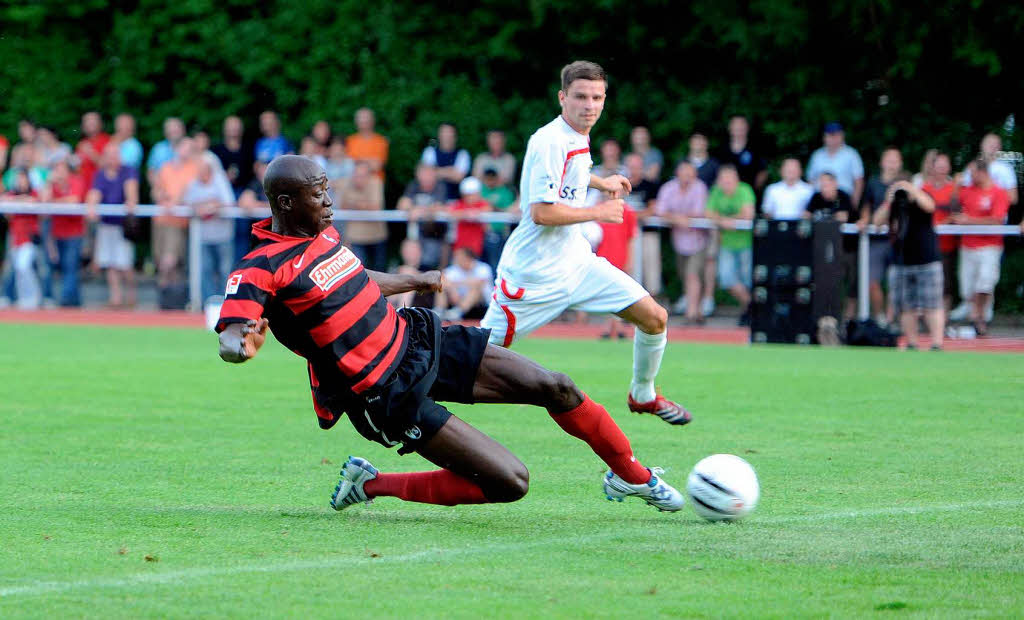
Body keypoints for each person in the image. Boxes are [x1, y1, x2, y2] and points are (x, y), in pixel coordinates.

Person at [216, 154, 685, 512]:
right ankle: (372, 483)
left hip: (418, 338)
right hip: (384, 391)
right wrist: (244, 345)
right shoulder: (260, 267)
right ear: (285, 202)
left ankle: (633, 476)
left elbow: (353, 280)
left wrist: (415, 280)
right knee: (510, 483)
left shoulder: (324, 235)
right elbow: (231, 338)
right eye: (318, 193)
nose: (328, 201)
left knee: (556, 386)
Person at [480, 60, 692, 426]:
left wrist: (601, 182)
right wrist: (599, 212)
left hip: (576, 264)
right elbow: (542, 213)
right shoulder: (549, 140)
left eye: (597, 97)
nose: (589, 105)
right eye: (580, 97)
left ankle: (643, 395)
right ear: (562, 98)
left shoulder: (578, 136)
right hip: (531, 279)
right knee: (472, 357)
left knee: (655, 318)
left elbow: (571, 175)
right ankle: (402, 378)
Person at [872, 178, 942, 350]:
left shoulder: (921, 198)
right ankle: (911, 343)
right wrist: (889, 201)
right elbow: (877, 221)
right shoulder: (893, 206)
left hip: (926, 260)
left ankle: (937, 343)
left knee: (932, 305)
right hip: (901, 262)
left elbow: (930, 206)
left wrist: (913, 191)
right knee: (905, 306)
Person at [951, 160, 1010, 336]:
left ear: (982, 172)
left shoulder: (998, 192)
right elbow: (953, 209)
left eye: (972, 173)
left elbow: (997, 219)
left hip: (989, 246)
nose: (970, 177)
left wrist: (969, 221)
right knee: (967, 288)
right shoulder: (968, 190)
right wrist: (956, 186)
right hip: (968, 246)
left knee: (985, 282)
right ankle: (975, 319)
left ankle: (979, 317)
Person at [654, 161, 709, 322]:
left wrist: (674, 217)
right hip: (679, 241)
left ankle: (691, 314)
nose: (687, 177)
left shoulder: (700, 188)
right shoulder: (668, 188)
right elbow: (660, 210)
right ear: (678, 173)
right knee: (684, 274)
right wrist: (678, 218)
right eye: (684, 172)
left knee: (692, 274)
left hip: (698, 240)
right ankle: (696, 311)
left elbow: (698, 213)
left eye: (690, 173)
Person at [86, 144, 139, 308]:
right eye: (109, 155)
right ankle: (115, 297)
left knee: (125, 264)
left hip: (122, 226)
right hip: (106, 224)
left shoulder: (128, 171)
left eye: (115, 154)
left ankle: (131, 295)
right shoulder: (101, 174)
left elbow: (131, 193)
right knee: (110, 263)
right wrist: (92, 207)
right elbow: (94, 194)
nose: (112, 158)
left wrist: (131, 201)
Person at [858, 147, 904, 325]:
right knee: (872, 281)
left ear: (900, 163)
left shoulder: (904, 184)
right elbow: (866, 206)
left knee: (896, 282)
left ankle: (892, 320)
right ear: (882, 162)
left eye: (895, 160)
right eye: (889, 159)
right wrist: (864, 220)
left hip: (897, 240)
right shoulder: (873, 183)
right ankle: (880, 319)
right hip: (876, 239)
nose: (892, 164)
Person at [706, 165, 755, 325]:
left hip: (746, 243)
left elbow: (748, 215)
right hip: (726, 243)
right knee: (727, 279)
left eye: (729, 180)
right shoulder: (716, 192)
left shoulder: (744, 190)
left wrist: (727, 220)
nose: (726, 184)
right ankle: (752, 306)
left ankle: (749, 312)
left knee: (748, 280)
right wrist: (724, 221)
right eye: (723, 181)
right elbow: (708, 213)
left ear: (736, 180)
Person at [184, 159, 237, 303]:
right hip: (203, 237)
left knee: (225, 271)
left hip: (223, 235)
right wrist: (208, 205)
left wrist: (212, 206)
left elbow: (229, 202)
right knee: (204, 270)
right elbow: (187, 203)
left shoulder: (220, 181)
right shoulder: (193, 184)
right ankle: (207, 303)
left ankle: (225, 303)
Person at [805, 172, 856, 318]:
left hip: (846, 247)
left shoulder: (843, 196)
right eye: (822, 185)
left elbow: (842, 218)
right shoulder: (816, 197)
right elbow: (805, 216)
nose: (824, 188)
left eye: (827, 184)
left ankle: (848, 316)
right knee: (823, 282)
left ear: (835, 184)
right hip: (822, 249)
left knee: (850, 281)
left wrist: (821, 220)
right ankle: (822, 313)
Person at [153, 137, 200, 288]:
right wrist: (160, 195)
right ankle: (166, 297)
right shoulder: (165, 167)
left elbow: (189, 192)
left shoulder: (194, 169)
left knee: (171, 260)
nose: (186, 152)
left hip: (177, 221)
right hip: (160, 219)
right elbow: (156, 189)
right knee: (160, 260)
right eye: (184, 147)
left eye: (190, 149)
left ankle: (168, 293)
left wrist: (174, 202)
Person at [41, 159, 88, 307]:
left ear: (68, 170)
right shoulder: (52, 185)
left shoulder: (76, 180)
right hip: (56, 233)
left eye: (61, 169)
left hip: (74, 233)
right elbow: (43, 202)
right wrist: (48, 183)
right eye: (56, 169)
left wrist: (54, 202)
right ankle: (70, 300)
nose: (58, 173)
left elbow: (74, 200)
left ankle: (67, 302)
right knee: (58, 266)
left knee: (70, 266)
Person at [595, 196, 639, 339]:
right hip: (603, 256)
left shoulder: (628, 212)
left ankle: (617, 326)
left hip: (620, 255)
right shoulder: (598, 209)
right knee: (606, 294)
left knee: (618, 293)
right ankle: (610, 326)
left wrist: (630, 260)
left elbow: (631, 238)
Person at [621, 153, 662, 297]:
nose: (633, 170)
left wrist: (632, 216)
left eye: (637, 166)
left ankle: (651, 306)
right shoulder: (621, 185)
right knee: (629, 269)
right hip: (625, 235)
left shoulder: (650, 185)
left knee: (651, 271)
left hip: (647, 233)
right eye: (631, 166)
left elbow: (653, 209)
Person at [921, 153, 958, 311]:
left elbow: (958, 213)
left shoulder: (954, 190)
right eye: (939, 165)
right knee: (925, 281)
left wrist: (944, 222)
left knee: (946, 282)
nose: (942, 169)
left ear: (949, 167)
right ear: (933, 167)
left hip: (947, 246)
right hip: (927, 245)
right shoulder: (923, 189)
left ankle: (944, 318)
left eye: (945, 166)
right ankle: (927, 316)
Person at [397, 163, 449, 270]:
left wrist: (419, 211)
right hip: (416, 234)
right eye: (423, 174)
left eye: (428, 174)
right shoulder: (414, 185)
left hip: (436, 234)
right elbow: (402, 204)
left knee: (431, 264)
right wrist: (411, 209)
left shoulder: (440, 187)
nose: (426, 177)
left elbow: (439, 206)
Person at [1, 168, 41, 309]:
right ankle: (23, 298)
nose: (21, 182)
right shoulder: (12, 194)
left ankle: (32, 297)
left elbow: (34, 201)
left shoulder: (34, 193)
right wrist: (16, 200)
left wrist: (17, 201)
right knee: (16, 270)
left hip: (29, 238)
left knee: (23, 267)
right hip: (14, 238)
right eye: (19, 179)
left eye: (23, 179)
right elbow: (4, 202)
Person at [338, 161, 388, 272]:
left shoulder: (376, 182)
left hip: (377, 235)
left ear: (369, 176)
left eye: (362, 176)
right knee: (358, 271)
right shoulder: (347, 184)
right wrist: (363, 204)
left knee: (380, 270)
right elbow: (343, 207)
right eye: (356, 175)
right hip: (355, 236)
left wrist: (354, 204)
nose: (358, 179)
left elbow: (375, 207)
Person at [806, 122, 865, 205]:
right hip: (820, 201)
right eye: (830, 135)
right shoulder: (817, 156)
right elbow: (810, 180)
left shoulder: (852, 154)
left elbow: (859, 181)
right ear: (824, 137)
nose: (833, 138)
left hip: (844, 200)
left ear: (842, 136)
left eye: (837, 135)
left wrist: (854, 203)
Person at [479, 167, 518, 270]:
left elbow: (510, 211)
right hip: (481, 232)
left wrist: (493, 207)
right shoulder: (480, 190)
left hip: (500, 232)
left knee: (496, 262)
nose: (490, 182)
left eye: (492, 179)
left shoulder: (504, 192)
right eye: (487, 179)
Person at [440, 246, 493, 321]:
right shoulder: (455, 268)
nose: (456, 259)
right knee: (441, 287)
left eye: (459, 257)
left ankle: (458, 312)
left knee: (476, 289)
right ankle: (439, 311)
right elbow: (442, 278)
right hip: (458, 299)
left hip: (481, 303)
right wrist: (452, 290)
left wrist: (455, 283)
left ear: (468, 258)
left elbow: (479, 283)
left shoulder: (483, 267)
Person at [421, 122, 471, 201]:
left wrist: (436, 171)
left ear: (455, 136)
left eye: (449, 133)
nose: (446, 136)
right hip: (433, 200)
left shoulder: (463, 154)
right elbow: (427, 176)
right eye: (444, 132)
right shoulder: (429, 151)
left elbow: (459, 177)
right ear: (439, 135)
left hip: (456, 201)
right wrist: (450, 171)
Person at [718, 115, 767, 195]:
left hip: (750, 194)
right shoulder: (722, 149)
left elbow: (762, 172)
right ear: (730, 128)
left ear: (747, 128)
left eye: (741, 125)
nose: (738, 127)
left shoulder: (756, 147)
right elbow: (719, 173)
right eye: (735, 125)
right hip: (727, 193)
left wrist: (754, 191)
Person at [449, 176, 491, 259]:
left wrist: (474, 213)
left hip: (476, 249)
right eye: (467, 195)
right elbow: (451, 212)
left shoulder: (482, 204)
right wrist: (466, 214)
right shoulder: (460, 204)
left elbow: (487, 209)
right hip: (460, 248)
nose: (470, 197)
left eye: (473, 194)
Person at [212, 116, 252, 198]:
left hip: (245, 192)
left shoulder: (249, 149)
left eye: (236, 126)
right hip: (221, 192)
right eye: (231, 127)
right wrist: (224, 177)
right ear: (224, 129)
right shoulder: (216, 151)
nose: (234, 129)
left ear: (241, 129)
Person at [345, 107, 389, 179]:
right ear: (356, 122)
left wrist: (357, 161)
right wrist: (369, 162)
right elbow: (347, 166)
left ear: (372, 121)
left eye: (366, 120)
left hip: (374, 182)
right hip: (354, 183)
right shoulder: (349, 141)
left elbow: (377, 166)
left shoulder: (381, 141)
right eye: (361, 120)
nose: (363, 122)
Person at [146, 117, 186, 186]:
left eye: (176, 127)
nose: (173, 130)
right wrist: (158, 188)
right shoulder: (158, 149)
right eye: (170, 128)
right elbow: (151, 172)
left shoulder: (190, 147)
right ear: (165, 132)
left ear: (183, 130)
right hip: (163, 188)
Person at [75, 112, 110, 186]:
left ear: (100, 124)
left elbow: (108, 166)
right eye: (87, 120)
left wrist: (90, 152)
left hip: (100, 188)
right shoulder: (82, 143)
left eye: (93, 120)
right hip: (84, 188)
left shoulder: (107, 141)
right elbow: (77, 169)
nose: (90, 123)